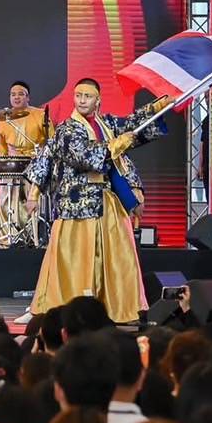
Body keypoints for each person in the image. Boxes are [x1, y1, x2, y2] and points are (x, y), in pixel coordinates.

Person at [27, 78, 167, 322]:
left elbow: (132, 124)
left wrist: (157, 107)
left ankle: (119, 309)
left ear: (97, 100)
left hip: (106, 202)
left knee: (119, 259)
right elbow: (83, 156)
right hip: (77, 206)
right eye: (78, 95)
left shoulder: (106, 124)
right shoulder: (68, 129)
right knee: (77, 261)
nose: (82, 100)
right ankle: (72, 311)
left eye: (87, 96)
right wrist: (117, 145)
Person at [0, 80, 51, 247]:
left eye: (20, 94)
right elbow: (2, 147)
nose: (16, 97)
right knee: (6, 200)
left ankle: (34, 237)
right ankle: (7, 238)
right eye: (13, 94)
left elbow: (51, 142)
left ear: (28, 97)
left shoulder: (40, 115)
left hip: (35, 165)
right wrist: (2, 166)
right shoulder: (4, 118)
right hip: (13, 164)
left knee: (32, 199)